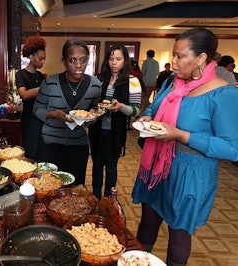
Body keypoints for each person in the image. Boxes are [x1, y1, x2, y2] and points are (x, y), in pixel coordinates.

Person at [132, 27, 238, 266]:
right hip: (157, 164)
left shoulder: (223, 94)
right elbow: (155, 108)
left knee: (178, 232)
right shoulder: (174, 82)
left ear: (201, 58)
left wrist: (182, 135)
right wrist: (149, 116)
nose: (174, 61)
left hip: (190, 172)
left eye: (180, 56)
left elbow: (233, 148)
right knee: (148, 220)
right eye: (174, 54)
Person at [33, 39, 101, 185]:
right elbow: (36, 109)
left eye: (83, 60)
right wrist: (53, 115)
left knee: (74, 189)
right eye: (72, 60)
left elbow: (95, 107)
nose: (78, 65)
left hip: (78, 146)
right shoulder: (50, 82)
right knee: (47, 186)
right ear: (64, 61)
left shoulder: (95, 85)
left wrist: (93, 114)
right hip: (50, 145)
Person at [89, 46, 142, 199]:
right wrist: (93, 110)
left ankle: (108, 200)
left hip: (116, 132)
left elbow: (136, 110)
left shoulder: (132, 81)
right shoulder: (99, 78)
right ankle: (95, 197)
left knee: (111, 167)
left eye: (118, 59)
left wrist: (120, 107)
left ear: (125, 61)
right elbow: (93, 102)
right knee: (97, 166)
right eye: (111, 59)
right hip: (97, 131)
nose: (114, 63)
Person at [16, 36, 46, 161]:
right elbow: (24, 94)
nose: (43, 62)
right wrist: (42, 88)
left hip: (41, 117)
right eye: (41, 59)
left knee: (41, 150)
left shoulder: (40, 75)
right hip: (29, 119)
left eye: (44, 59)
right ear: (32, 57)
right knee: (30, 151)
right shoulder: (21, 74)